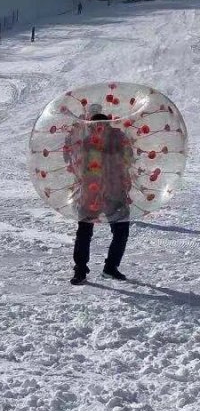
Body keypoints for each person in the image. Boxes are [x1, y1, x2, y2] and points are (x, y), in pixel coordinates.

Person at [70, 112, 133, 286]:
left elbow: (128, 159)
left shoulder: (115, 138)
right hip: (96, 192)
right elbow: (129, 160)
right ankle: (86, 269)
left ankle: (103, 268)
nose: (97, 128)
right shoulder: (90, 141)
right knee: (87, 231)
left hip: (110, 191)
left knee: (116, 231)